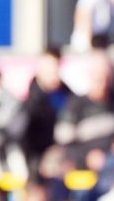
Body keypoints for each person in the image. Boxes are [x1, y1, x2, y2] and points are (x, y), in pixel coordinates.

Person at [54, 49, 114, 169]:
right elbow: (64, 144)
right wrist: (86, 157)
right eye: (98, 75)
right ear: (90, 74)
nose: (102, 80)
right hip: (85, 170)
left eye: (105, 75)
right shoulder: (75, 105)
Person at [13, 48, 73, 178]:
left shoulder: (68, 95)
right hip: (37, 162)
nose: (51, 71)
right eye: (47, 66)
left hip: (63, 157)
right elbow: (21, 135)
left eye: (54, 66)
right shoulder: (28, 100)